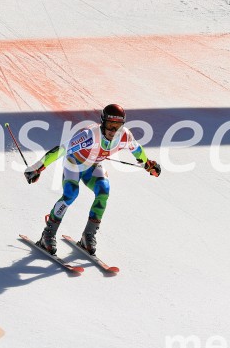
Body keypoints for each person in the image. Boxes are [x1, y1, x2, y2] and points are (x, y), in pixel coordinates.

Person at [24, 104, 161, 255]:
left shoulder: (125, 136)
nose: (113, 131)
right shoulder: (89, 135)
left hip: (93, 165)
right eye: (110, 125)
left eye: (117, 126)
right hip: (74, 164)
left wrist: (148, 165)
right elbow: (61, 150)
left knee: (104, 191)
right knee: (71, 194)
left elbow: (137, 150)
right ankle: (48, 234)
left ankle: (88, 236)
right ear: (103, 122)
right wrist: (37, 168)